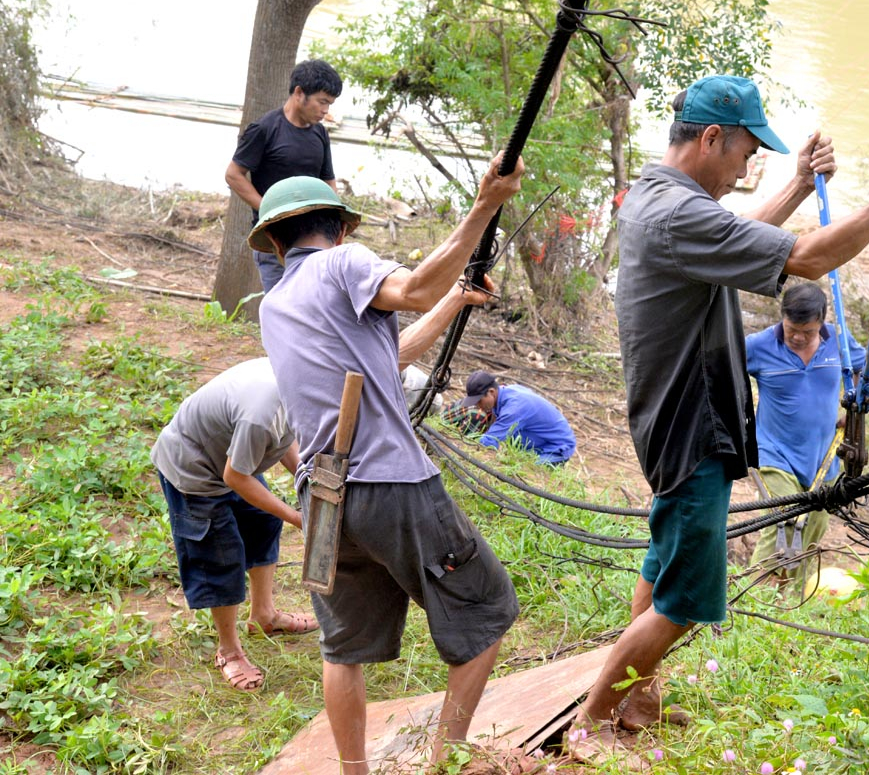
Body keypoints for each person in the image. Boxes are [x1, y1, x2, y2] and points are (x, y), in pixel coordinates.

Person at [567, 74, 869, 760]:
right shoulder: (679, 212)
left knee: (663, 555)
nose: (746, 167)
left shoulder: (659, 195)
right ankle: (590, 719)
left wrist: (797, 185)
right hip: (691, 425)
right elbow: (808, 259)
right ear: (711, 137)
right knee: (682, 599)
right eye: (744, 152)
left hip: (671, 417)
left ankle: (639, 696)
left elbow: (737, 239)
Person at [252, 159, 525, 773]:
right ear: (341, 230)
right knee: (487, 608)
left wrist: (455, 301)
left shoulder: (275, 305)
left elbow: (385, 353)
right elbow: (416, 288)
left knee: (342, 648)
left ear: (274, 241)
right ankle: (446, 760)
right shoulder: (344, 263)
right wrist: (484, 205)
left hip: (323, 496)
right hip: (391, 481)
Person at [150, 357, 315, 693]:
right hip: (194, 470)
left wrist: (307, 481)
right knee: (219, 554)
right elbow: (235, 476)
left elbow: (283, 440)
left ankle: (264, 616)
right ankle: (229, 650)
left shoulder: (295, 382)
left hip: (229, 455)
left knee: (263, 520)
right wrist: (297, 517)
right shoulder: (262, 413)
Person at [746, 281, 865, 591]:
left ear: (822, 321)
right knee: (783, 519)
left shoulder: (838, 341)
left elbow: (861, 367)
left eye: (807, 332)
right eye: (791, 329)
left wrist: (852, 407)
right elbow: (722, 369)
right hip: (774, 453)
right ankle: (751, 599)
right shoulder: (759, 346)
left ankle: (791, 606)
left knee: (812, 527)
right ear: (782, 317)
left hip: (823, 458)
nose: (798, 337)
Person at [225, 59, 342, 293]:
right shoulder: (265, 129)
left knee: (313, 303)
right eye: (322, 102)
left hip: (314, 238)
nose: (326, 110)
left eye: (329, 104)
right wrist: (270, 209)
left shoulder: (319, 133)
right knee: (282, 308)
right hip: (275, 239)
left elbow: (328, 181)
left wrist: (337, 222)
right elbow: (233, 175)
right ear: (299, 93)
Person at [459, 370, 577, 465]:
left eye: (479, 401)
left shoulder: (514, 408)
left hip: (555, 448)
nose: (477, 406)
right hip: (538, 438)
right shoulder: (506, 392)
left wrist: (462, 448)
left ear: (491, 392)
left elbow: (489, 441)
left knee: (522, 471)